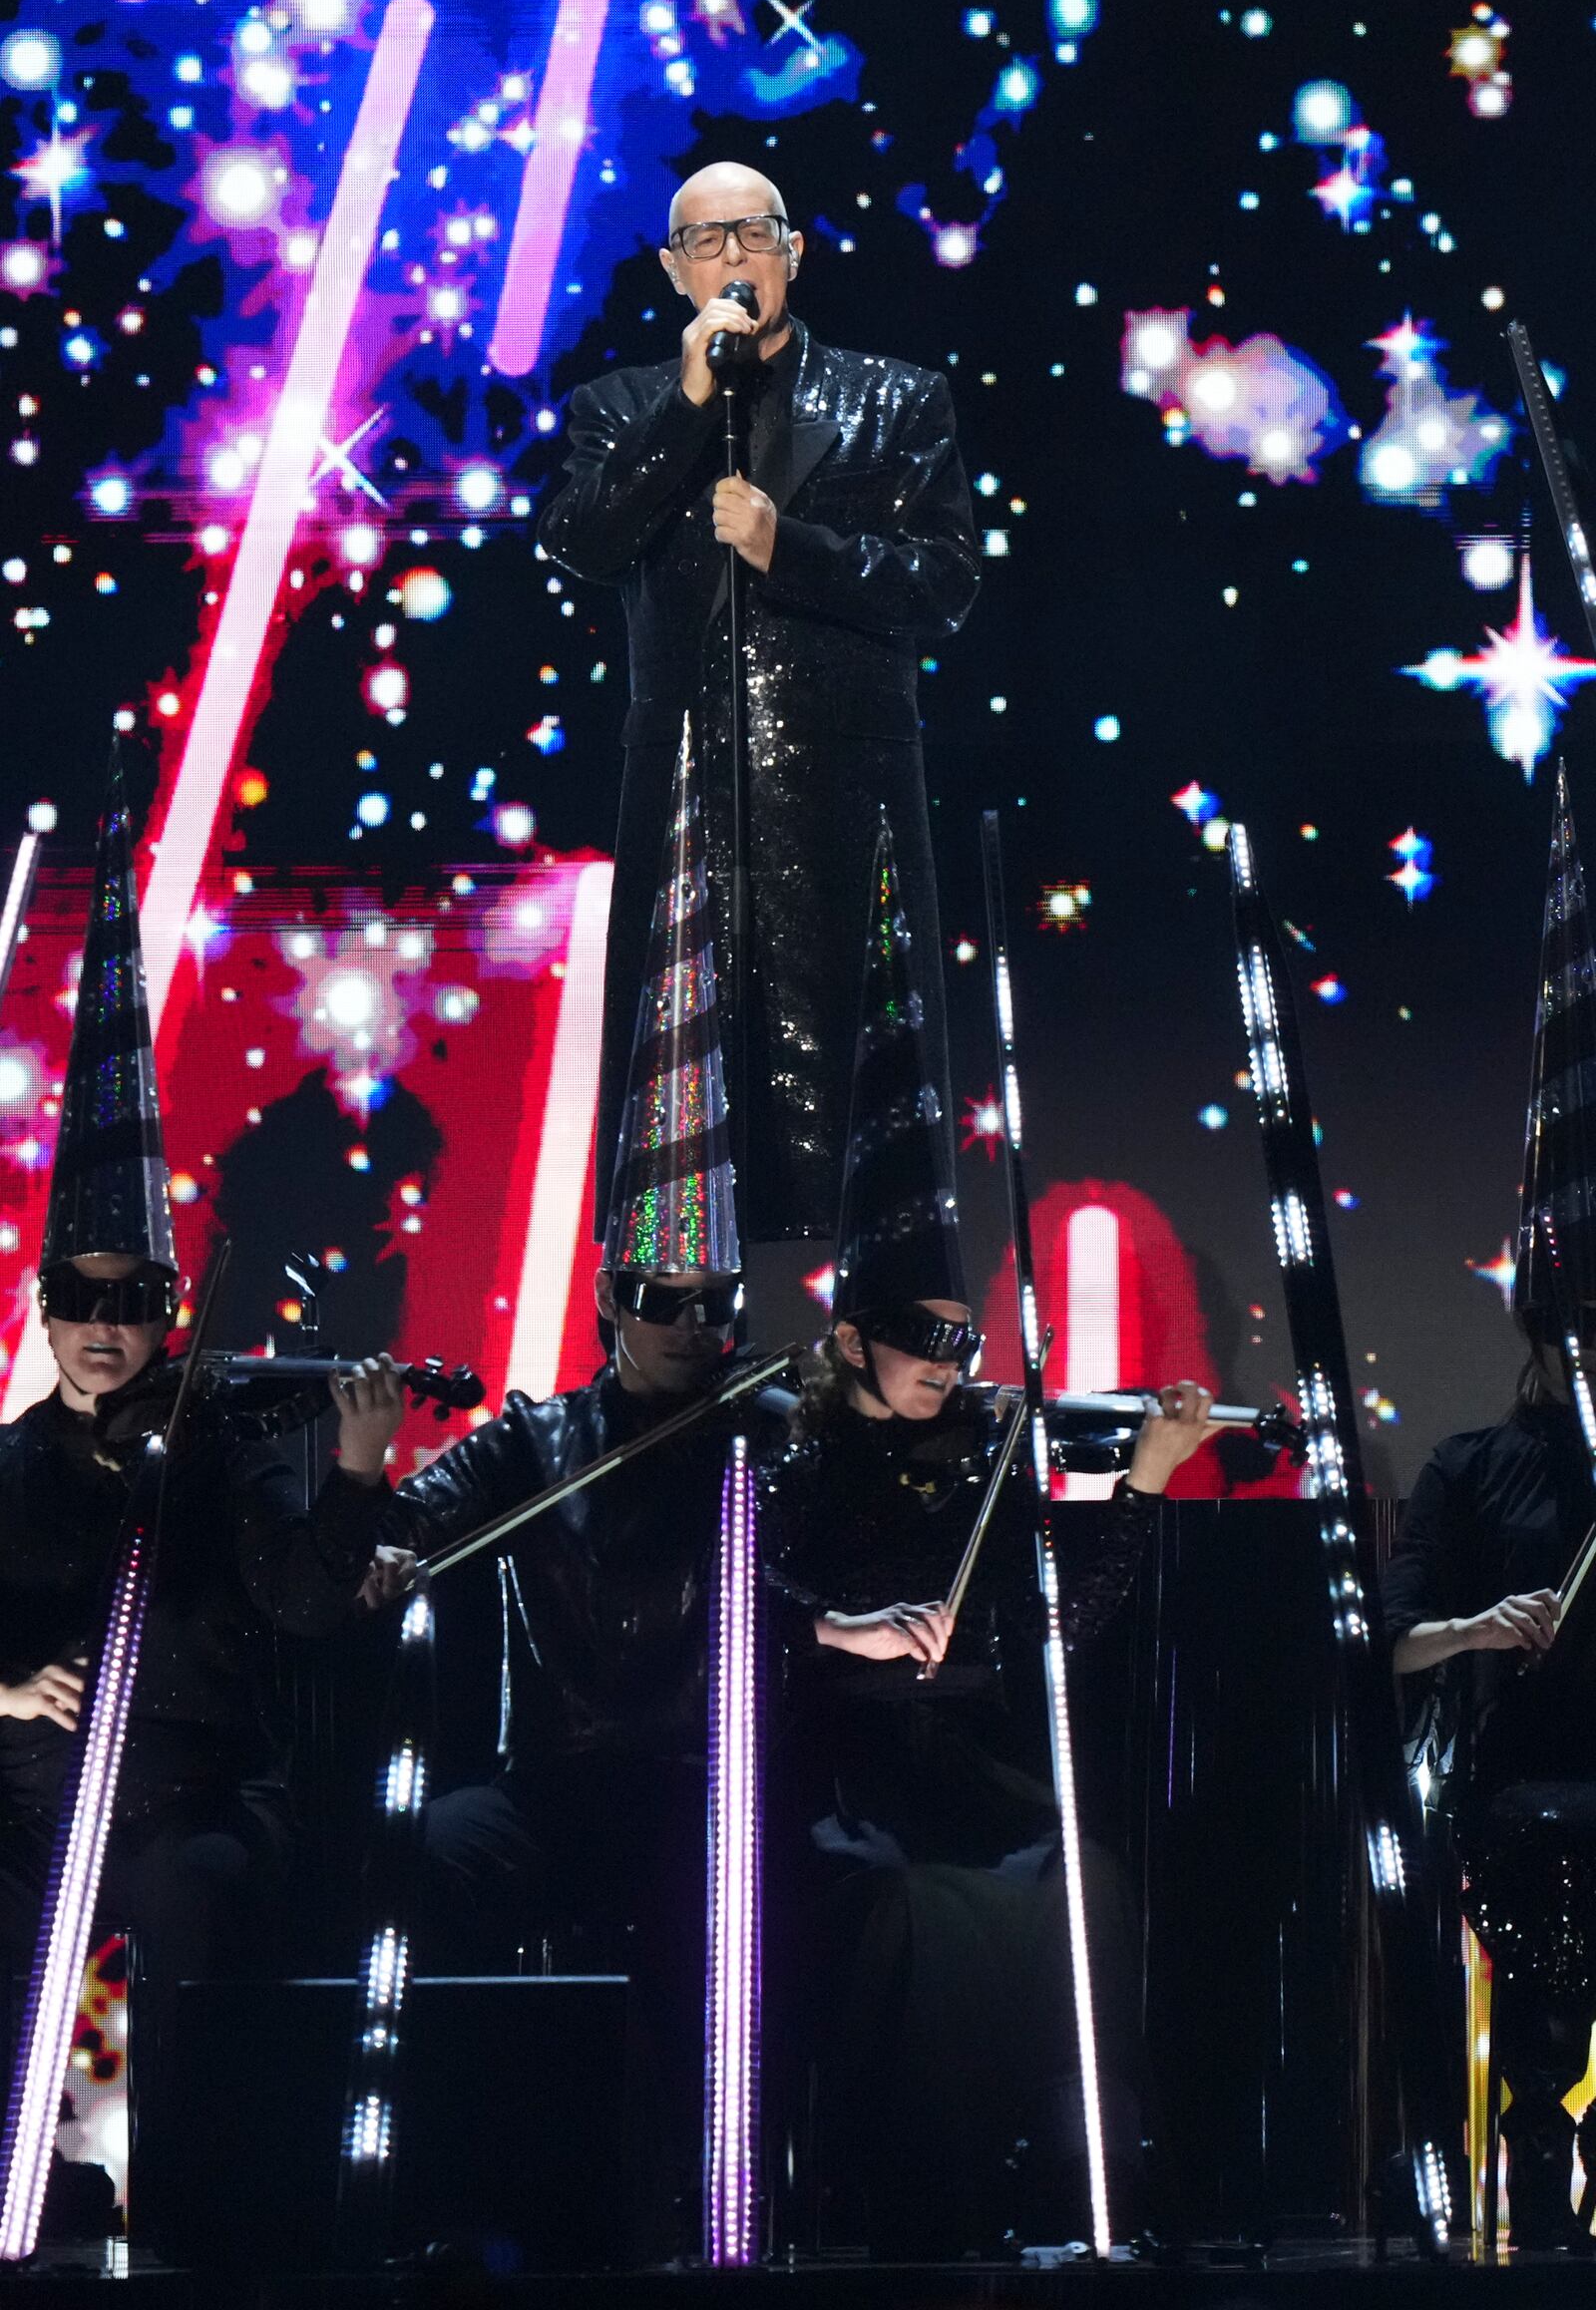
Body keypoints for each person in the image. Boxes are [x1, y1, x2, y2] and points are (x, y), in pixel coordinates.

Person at [762, 822, 1215, 2254]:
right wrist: (837, 1631)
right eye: (923, 1344)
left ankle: (1084, 2187)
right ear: (850, 1338)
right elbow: (733, 1602)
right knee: (891, 1907)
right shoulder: (789, 1449)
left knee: (1082, 1878)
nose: (953, 1367)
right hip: (836, 1770)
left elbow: (1058, 1620)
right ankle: (904, 2201)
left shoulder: (993, 1451)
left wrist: (1137, 1483)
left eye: (966, 1342)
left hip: (971, 1765)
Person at [392, 724, 794, 2253]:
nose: (693, 1327)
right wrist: (373, 1505)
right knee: (436, 1848)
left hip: (710, 1787)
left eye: (712, 1303)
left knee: (740, 1898)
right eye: (663, 1299)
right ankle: (481, 2194)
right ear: (613, 1304)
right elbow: (418, 1520)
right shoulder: (542, 1434)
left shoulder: (771, 1438)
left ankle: (706, 2214)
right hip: (561, 1784)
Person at [0, 763, 406, 2237]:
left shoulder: (222, 1449)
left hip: (186, 1802)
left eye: (136, 1300)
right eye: (84, 1301)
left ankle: (121, 2194)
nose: (109, 1326)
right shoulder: (4, 1475)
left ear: (171, 1308)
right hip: (30, 1806)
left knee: (154, 1913)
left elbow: (303, 1606)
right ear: (49, 1313)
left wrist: (354, 1473)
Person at [538, 159, 980, 1241]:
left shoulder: (896, 399)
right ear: (671, 269)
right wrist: (688, 404)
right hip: (687, 796)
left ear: (793, 250)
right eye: (706, 241)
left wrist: (794, 548)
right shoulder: (621, 408)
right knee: (682, 1119)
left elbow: (946, 582)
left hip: (844, 802)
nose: (732, 258)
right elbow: (581, 541)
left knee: (861, 1129)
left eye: (753, 234)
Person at [1384, 768, 1596, 2253]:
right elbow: (1392, 1647)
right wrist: (1480, 1624)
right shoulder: (1477, 1468)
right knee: (1542, 1867)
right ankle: (1538, 2215)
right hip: (1533, 1802)